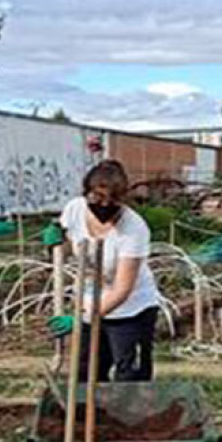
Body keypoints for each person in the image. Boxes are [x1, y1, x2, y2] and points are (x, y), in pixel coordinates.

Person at [57, 160, 164, 382]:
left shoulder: (133, 228)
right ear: (86, 193)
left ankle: (131, 415)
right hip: (89, 299)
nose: (104, 205)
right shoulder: (75, 209)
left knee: (128, 374)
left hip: (131, 309)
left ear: (123, 199)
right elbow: (67, 241)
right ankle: (94, 414)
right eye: (97, 198)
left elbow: (122, 290)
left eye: (112, 200)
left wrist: (80, 319)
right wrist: (56, 240)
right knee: (86, 372)